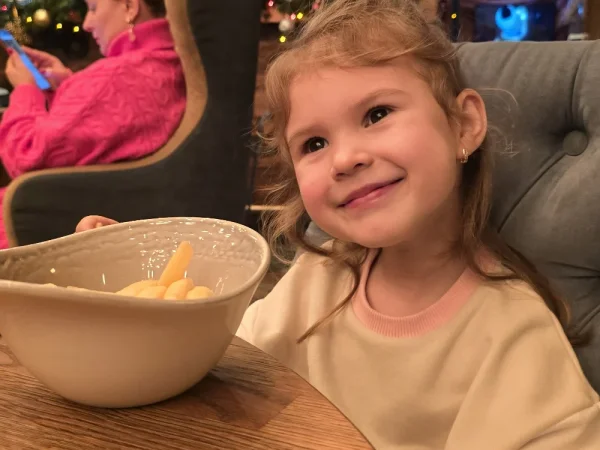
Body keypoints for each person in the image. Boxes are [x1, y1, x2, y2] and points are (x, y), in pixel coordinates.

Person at [77, 0, 600, 448]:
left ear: (463, 125)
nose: (345, 159)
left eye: (377, 114)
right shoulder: (317, 279)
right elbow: (224, 364)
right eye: (314, 144)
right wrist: (137, 300)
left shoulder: (513, 335)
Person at [0, 0, 185, 248]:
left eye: (94, 8)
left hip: (49, 225)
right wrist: (67, 85)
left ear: (130, 6)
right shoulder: (169, 61)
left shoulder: (115, 76)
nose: (86, 23)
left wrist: (25, 89)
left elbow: (25, 153)